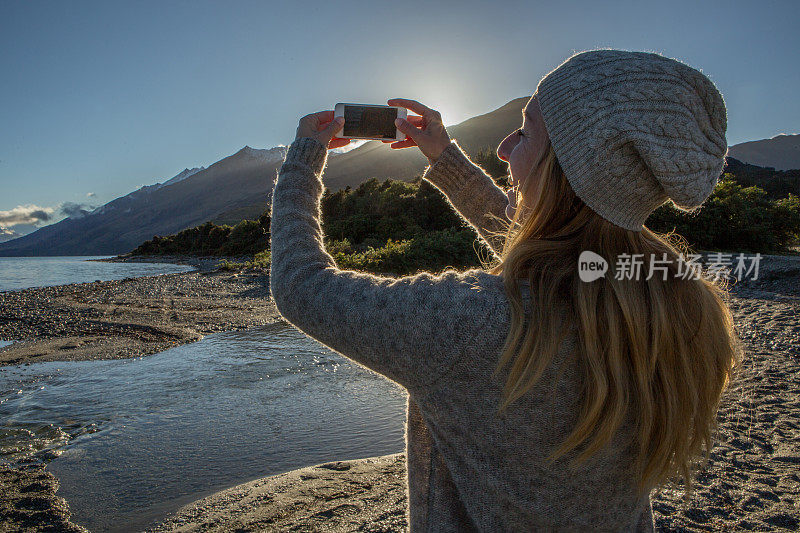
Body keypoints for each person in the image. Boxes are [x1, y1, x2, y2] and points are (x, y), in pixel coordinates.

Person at [269, 49, 742, 532]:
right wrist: (446, 159)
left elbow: (301, 287)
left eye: (525, 133)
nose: (502, 148)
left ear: (565, 170)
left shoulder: (470, 324)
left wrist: (304, 158)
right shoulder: (676, 304)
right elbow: (545, 252)